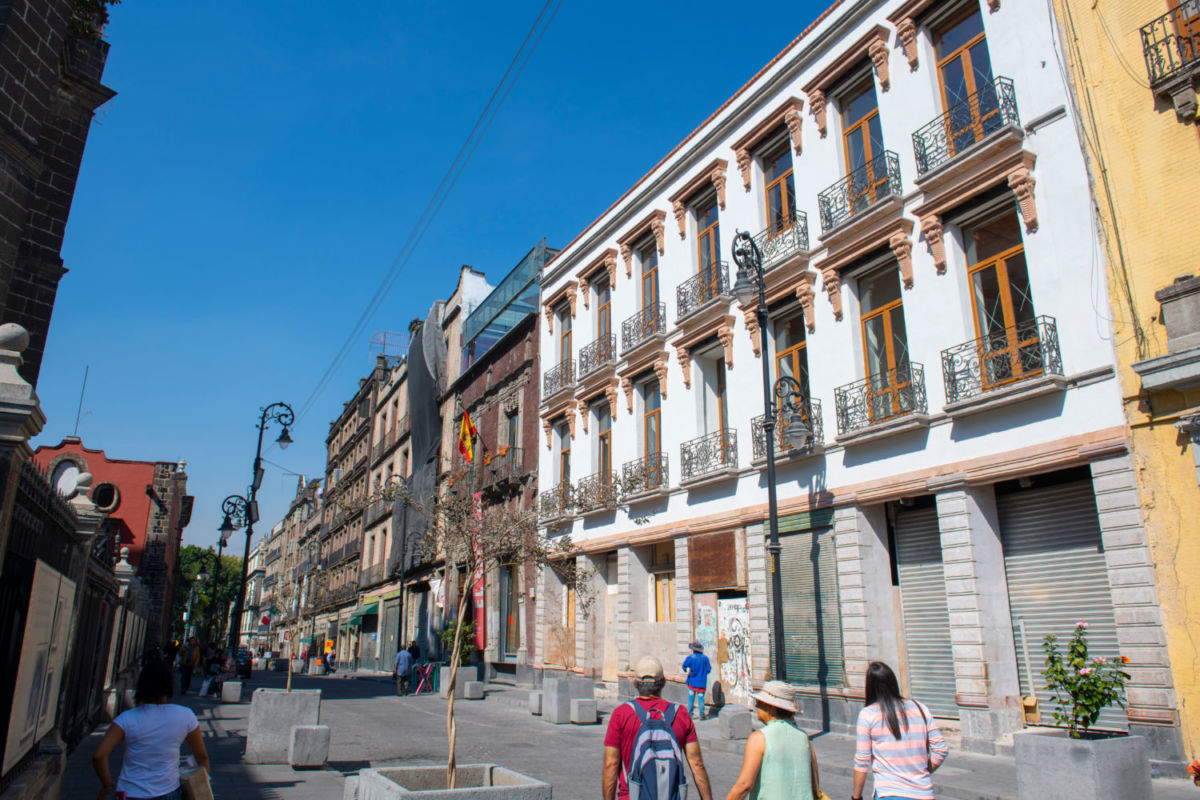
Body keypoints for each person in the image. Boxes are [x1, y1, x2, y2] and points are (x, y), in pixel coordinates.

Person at [92, 658, 210, 800]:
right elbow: (201, 756)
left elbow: (99, 755)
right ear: (170, 685)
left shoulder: (126, 719)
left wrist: (107, 783)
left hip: (130, 792)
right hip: (168, 792)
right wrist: (204, 782)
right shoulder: (185, 715)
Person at [602, 655, 714, 800]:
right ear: (664, 683)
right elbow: (697, 764)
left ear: (635, 683)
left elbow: (611, 764)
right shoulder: (681, 714)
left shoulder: (621, 715)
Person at [852, 661, 948, 800]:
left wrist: (856, 796)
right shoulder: (920, 708)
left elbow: (862, 761)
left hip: (890, 793)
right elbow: (941, 749)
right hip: (923, 793)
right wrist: (922, 773)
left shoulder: (868, 715)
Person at [723, 681, 819, 800]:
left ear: (771, 707)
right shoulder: (804, 738)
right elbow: (814, 786)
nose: (756, 705)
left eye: (760, 702)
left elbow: (744, 785)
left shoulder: (759, 738)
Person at [682, 640, 712, 720]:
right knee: (700, 699)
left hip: (691, 681)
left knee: (691, 698)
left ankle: (690, 714)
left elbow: (684, 667)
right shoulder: (705, 658)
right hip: (701, 682)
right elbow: (708, 669)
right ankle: (702, 714)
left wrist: (687, 670)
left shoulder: (690, 657)